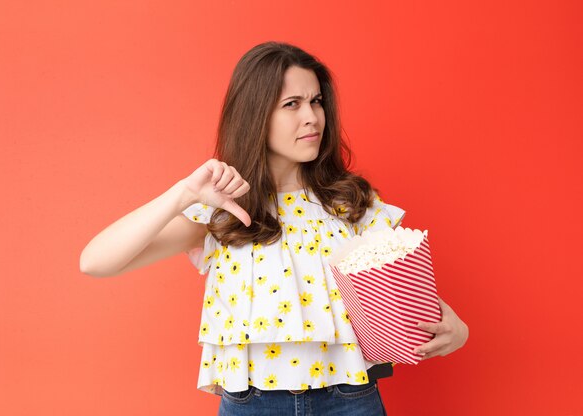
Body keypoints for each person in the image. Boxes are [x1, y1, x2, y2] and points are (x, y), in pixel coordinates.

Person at [80, 41, 469, 416]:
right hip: (254, 403)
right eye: (292, 104)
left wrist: (458, 329)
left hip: (351, 399)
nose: (312, 117)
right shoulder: (222, 212)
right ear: (255, 114)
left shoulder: (351, 201)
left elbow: (404, 292)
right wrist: (181, 194)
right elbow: (96, 262)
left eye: (316, 101)